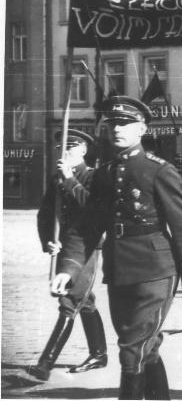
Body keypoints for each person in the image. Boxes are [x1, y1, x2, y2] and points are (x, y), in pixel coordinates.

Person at [51, 96, 182, 400]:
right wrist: (69, 270)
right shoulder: (105, 173)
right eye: (112, 124)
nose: (118, 129)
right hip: (119, 272)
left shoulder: (158, 170)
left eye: (126, 123)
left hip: (156, 274)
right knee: (144, 346)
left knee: (130, 349)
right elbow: (88, 226)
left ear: (142, 128)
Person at [31, 129, 107, 381]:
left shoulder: (93, 177)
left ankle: (45, 364)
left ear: (83, 150)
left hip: (86, 248)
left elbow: (93, 212)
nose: (65, 152)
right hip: (65, 248)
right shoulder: (56, 179)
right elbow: (44, 215)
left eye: (71, 147)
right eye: (61, 147)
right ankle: (99, 354)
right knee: (84, 300)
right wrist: (48, 241)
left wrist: (69, 179)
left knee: (69, 301)